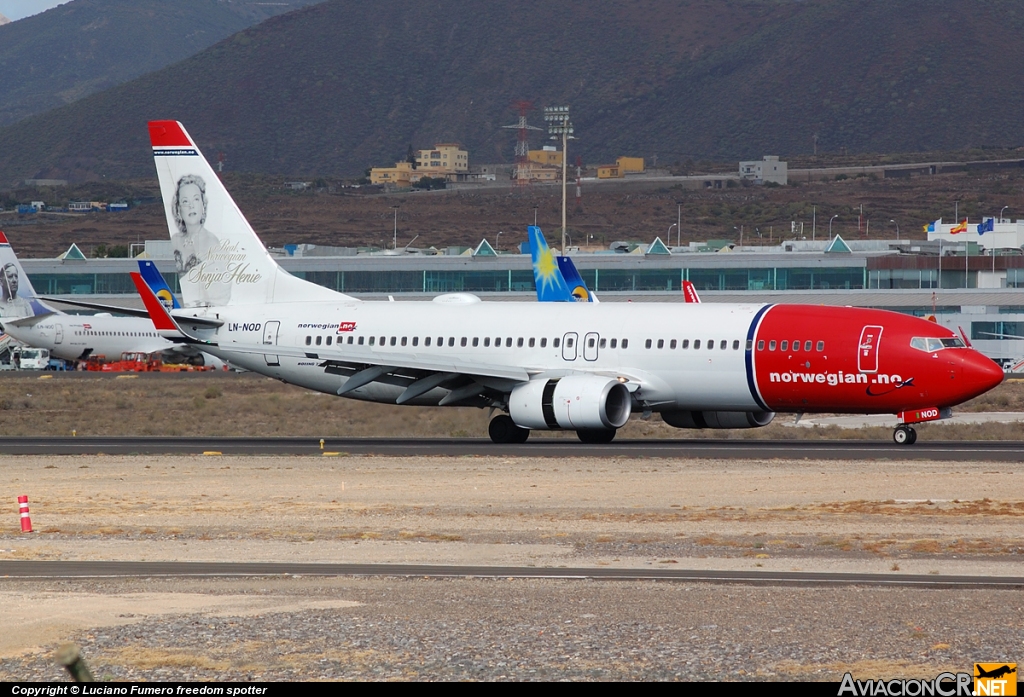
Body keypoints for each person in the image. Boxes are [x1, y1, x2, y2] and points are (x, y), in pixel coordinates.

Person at [170, 174, 230, 305]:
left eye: (196, 199)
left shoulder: (212, 243)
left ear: (203, 205)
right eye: (185, 201)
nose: (191, 206)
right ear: (178, 209)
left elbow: (222, 292)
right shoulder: (175, 240)